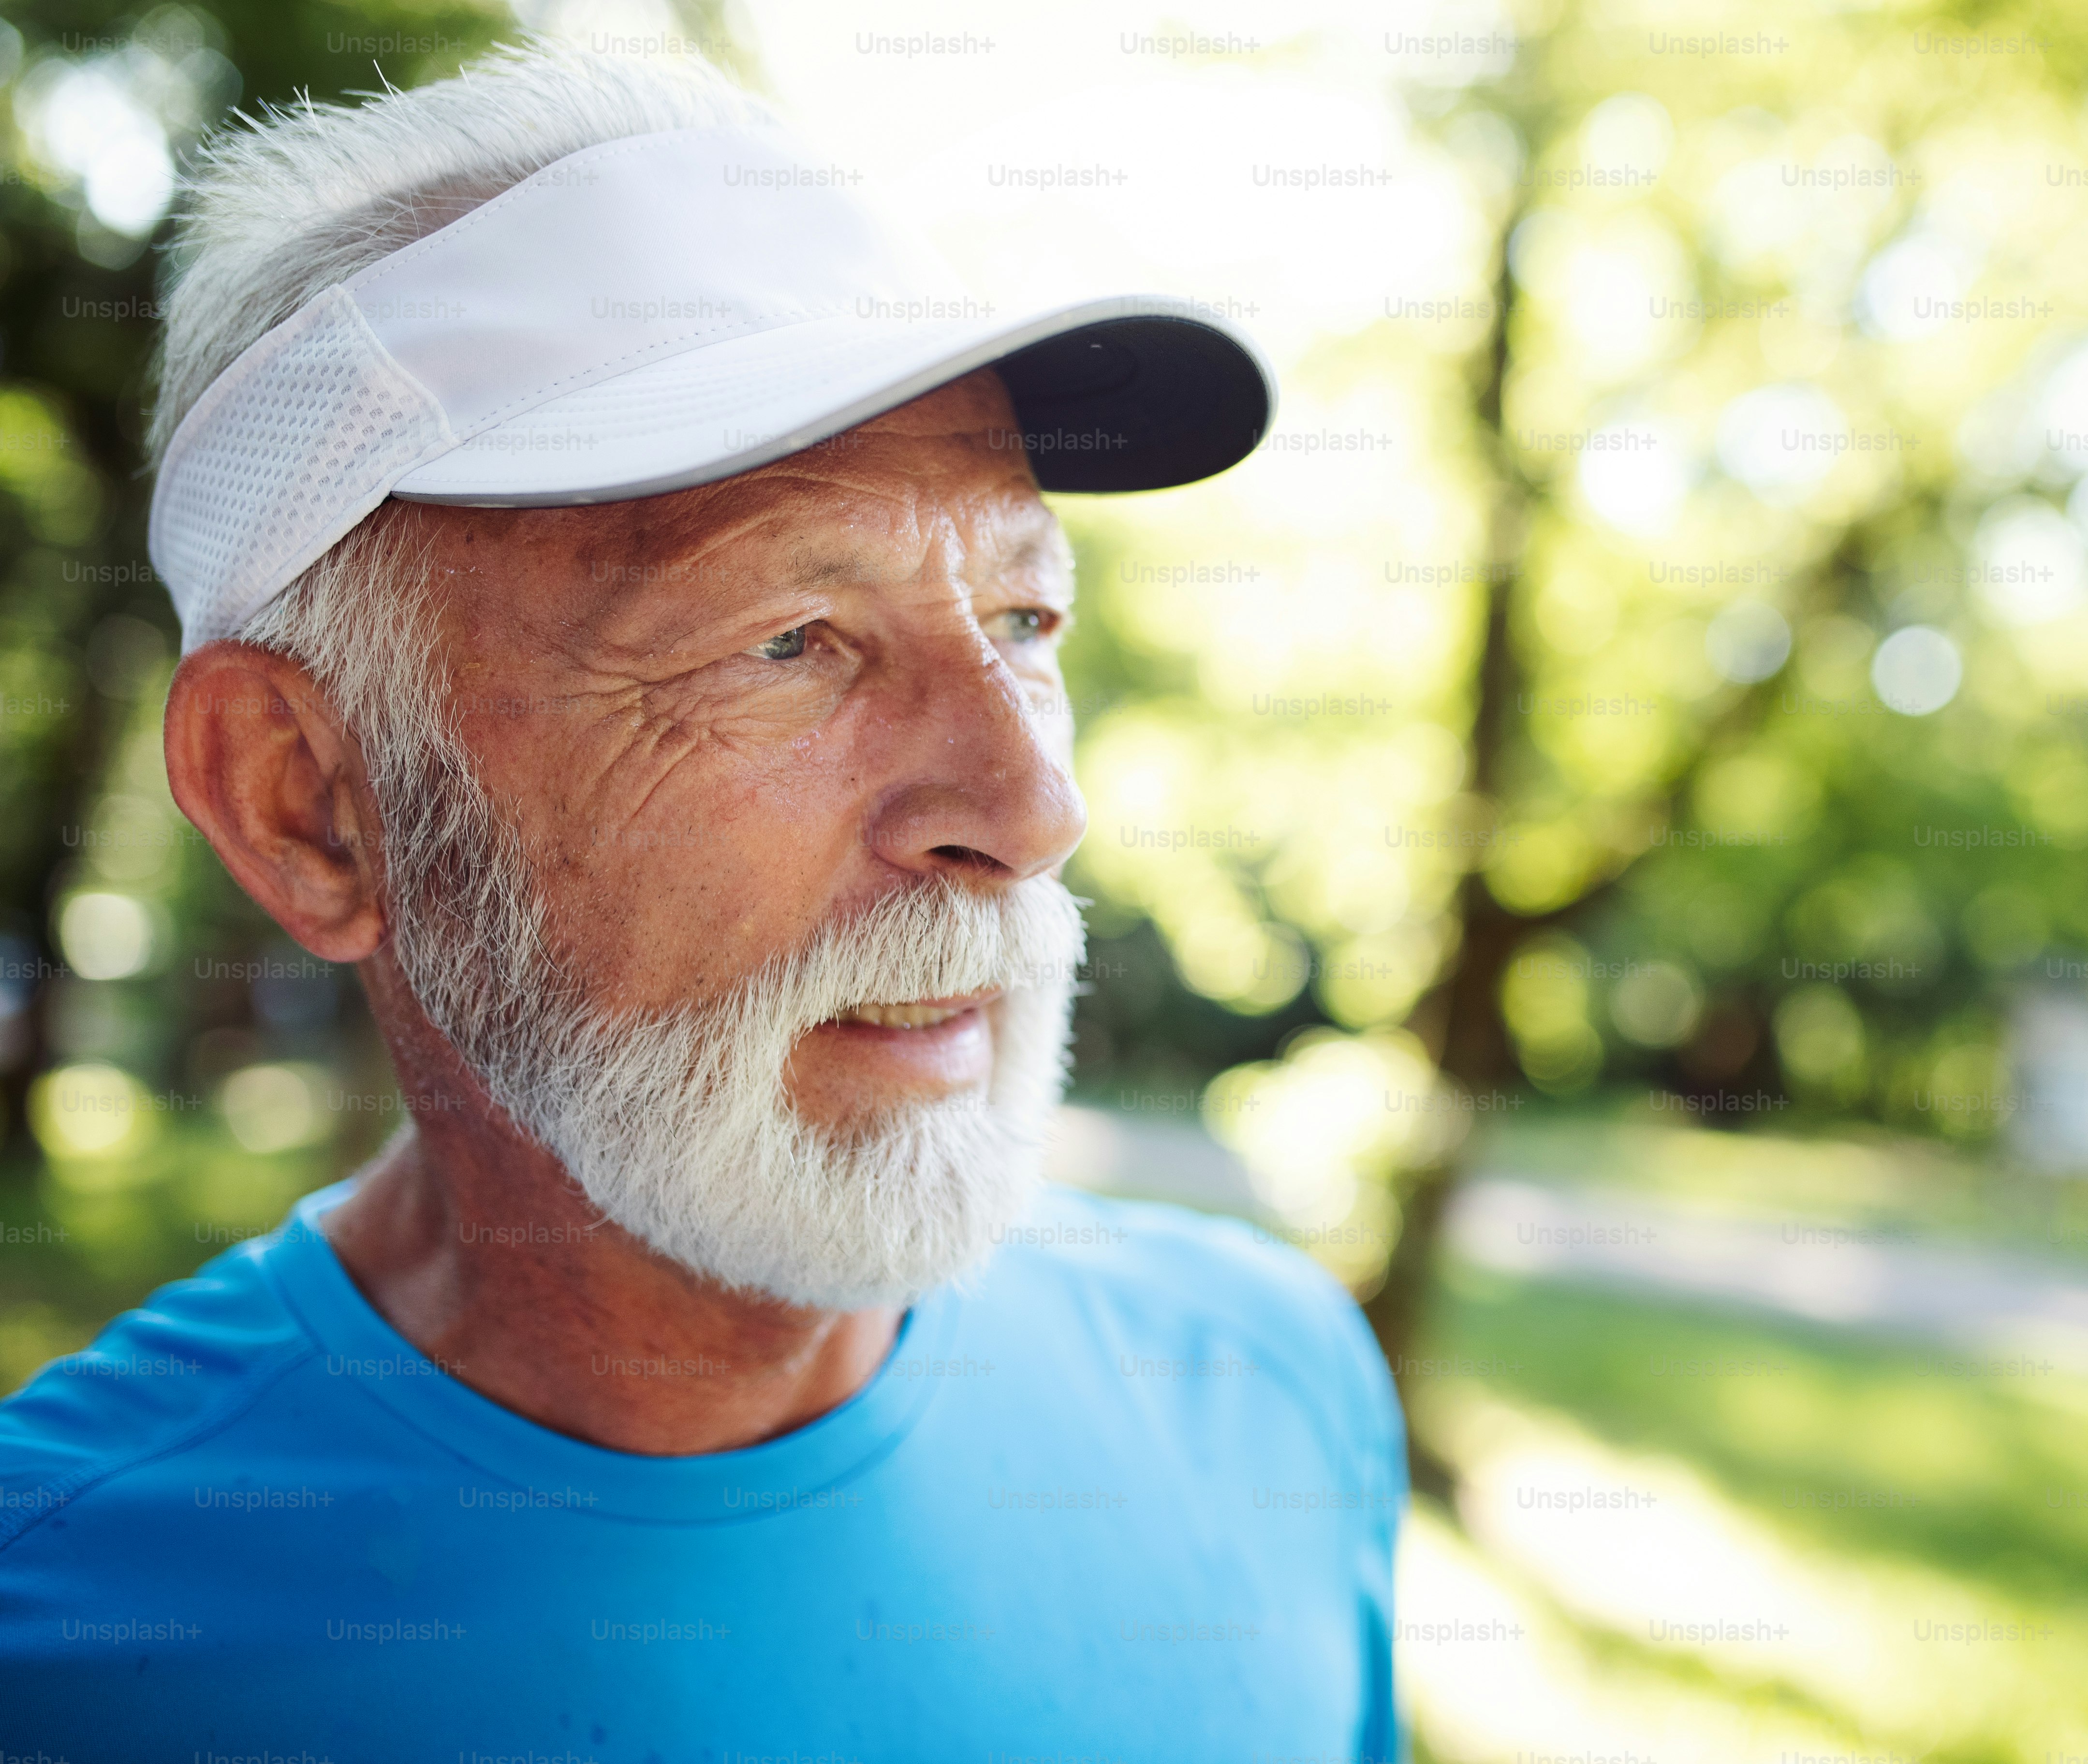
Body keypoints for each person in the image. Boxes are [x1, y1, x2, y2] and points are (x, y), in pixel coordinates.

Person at [0, 45, 1403, 1759]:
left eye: (1026, 620)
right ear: (309, 805)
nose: (1033, 810)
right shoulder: (63, 1636)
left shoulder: (1272, 1391)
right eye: (789, 643)